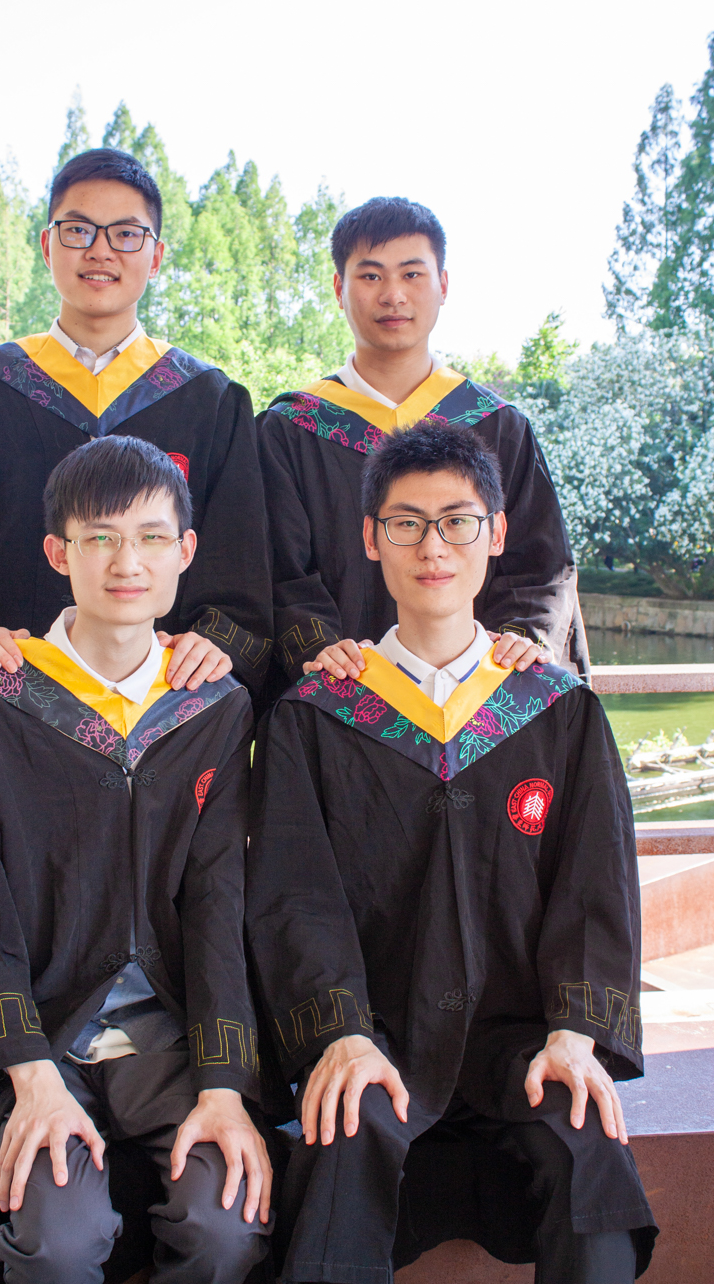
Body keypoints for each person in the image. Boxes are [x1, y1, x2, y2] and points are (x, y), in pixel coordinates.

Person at [246, 422, 656, 1282]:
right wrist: (340, 1033)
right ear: (371, 539)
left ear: (496, 533)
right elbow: (295, 897)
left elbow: (594, 886)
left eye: (457, 522)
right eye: (406, 523)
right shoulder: (317, 715)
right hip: (378, 1038)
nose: (432, 547)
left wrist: (574, 1034)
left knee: (591, 1158)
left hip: (520, 1043)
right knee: (338, 1142)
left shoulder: (554, 709)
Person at [0, 436, 273, 1284]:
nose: (126, 562)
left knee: (226, 1226)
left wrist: (224, 1084)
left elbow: (219, 903)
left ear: (185, 550)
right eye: (99, 537)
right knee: (58, 1241)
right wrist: (31, 1076)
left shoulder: (212, 707)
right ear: (57, 551)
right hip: (34, 1033)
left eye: (150, 537)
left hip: (167, 1038)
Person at [0, 148, 272, 701]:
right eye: (77, 230)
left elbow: (238, 562)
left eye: (126, 234)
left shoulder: (208, 400)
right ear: (46, 245)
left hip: (164, 700)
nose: (100, 250)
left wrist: (215, 643)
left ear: (156, 255)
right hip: (10, 692)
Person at [257, 197, 588, 689]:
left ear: (443, 285)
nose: (393, 295)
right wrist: (320, 650)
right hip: (340, 695)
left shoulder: (498, 426)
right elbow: (277, 570)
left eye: (412, 274)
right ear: (339, 289)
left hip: (481, 693)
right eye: (371, 276)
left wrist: (519, 641)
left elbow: (542, 566)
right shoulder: (291, 429)